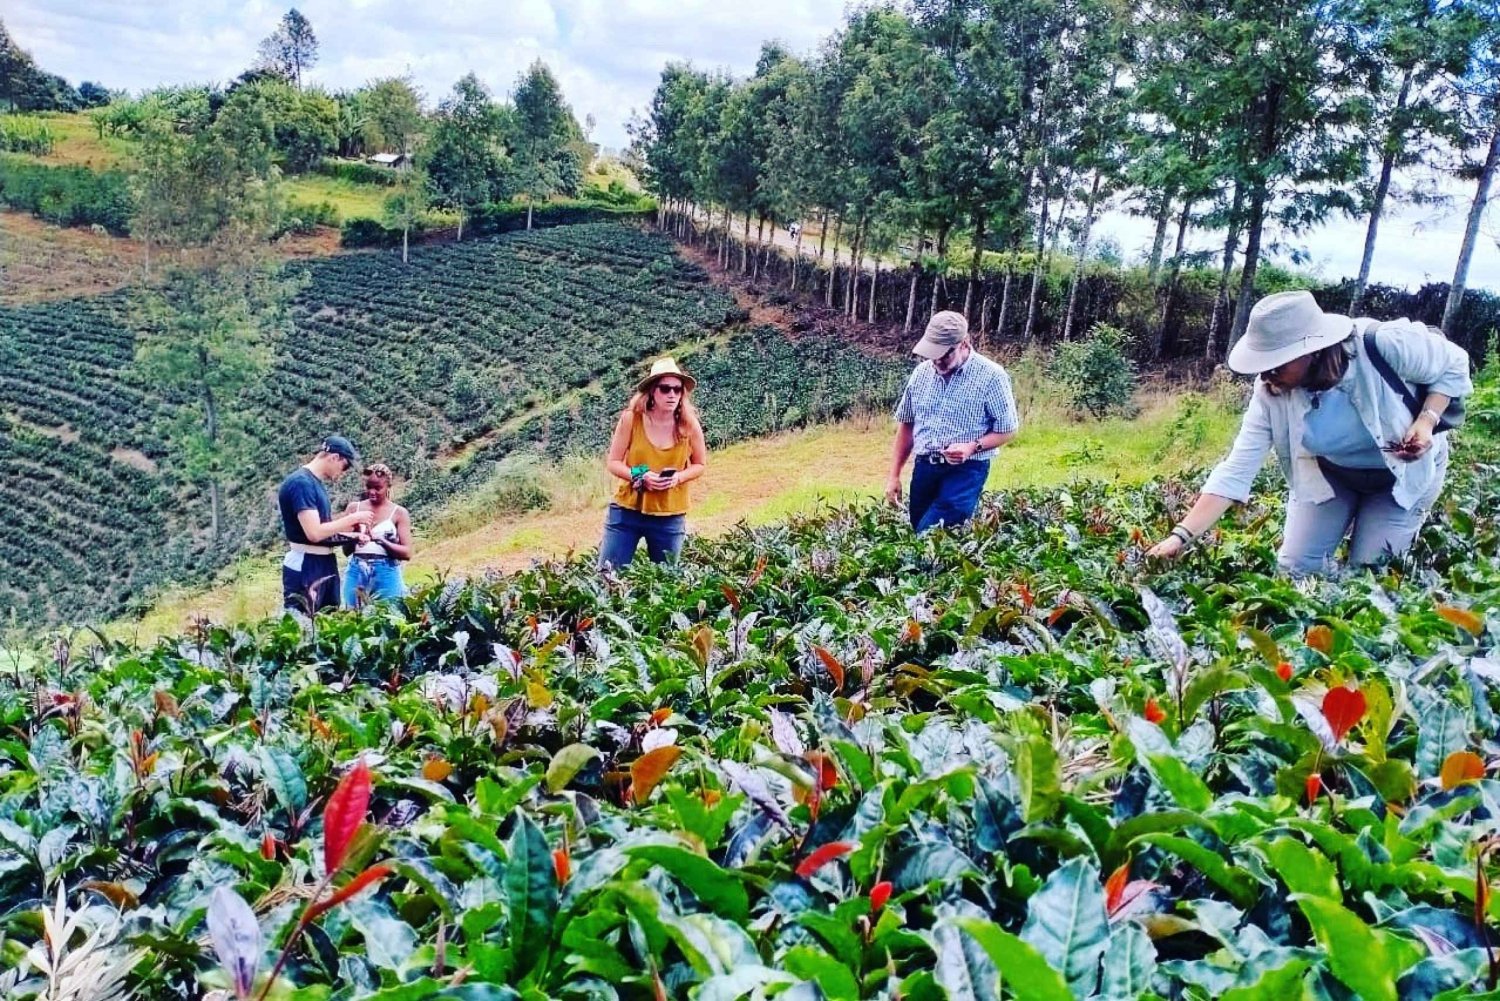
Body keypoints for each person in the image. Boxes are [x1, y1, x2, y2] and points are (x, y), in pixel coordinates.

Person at [1147, 290, 1472, 575]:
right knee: (1295, 571)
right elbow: (1236, 471)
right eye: (1263, 365)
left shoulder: (1382, 344)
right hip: (1332, 475)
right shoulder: (1270, 393)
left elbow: (1455, 362)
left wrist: (1426, 421)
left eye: (1277, 363)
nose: (1267, 374)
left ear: (1313, 349)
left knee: (1370, 577)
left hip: (1400, 480)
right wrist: (1180, 537)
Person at [887, 310, 1020, 532]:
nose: (937, 360)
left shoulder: (992, 376)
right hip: (925, 467)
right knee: (919, 530)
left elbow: (1008, 430)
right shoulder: (921, 375)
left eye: (945, 354)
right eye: (932, 354)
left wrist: (972, 446)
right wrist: (894, 475)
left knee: (931, 535)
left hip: (967, 471)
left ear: (964, 343)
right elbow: (907, 425)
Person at [600, 357, 708, 567]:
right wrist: (641, 474)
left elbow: (700, 464)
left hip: (669, 514)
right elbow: (614, 462)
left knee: (666, 583)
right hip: (627, 511)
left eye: (677, 390)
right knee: (608, 576)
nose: (672, 395)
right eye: (665, 389)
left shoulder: (689, 425)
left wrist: (677, 478)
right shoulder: (632, 419)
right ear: (652, 391)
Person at [278, 435, 372, 613]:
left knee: (328, 620)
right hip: (307, 563)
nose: (343, 472)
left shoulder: (315, 484)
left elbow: (324, 528)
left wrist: (352, 536)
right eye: (345, 466)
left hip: (324, 561)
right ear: (334, 457)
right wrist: (353, 518)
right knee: (303, 622)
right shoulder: (301, 483)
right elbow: (314, 533)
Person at [340, 463, 413, 607]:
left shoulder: (399, 513)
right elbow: (346, 551)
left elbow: (407, 553)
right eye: (369, 487)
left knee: (389, 616)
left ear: (388, 487)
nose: (372, 492)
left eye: (378, 488)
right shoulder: (354, 508)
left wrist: (382, 541)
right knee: (353, 616)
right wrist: (354, 535)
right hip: (357, 569)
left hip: (386, 571)